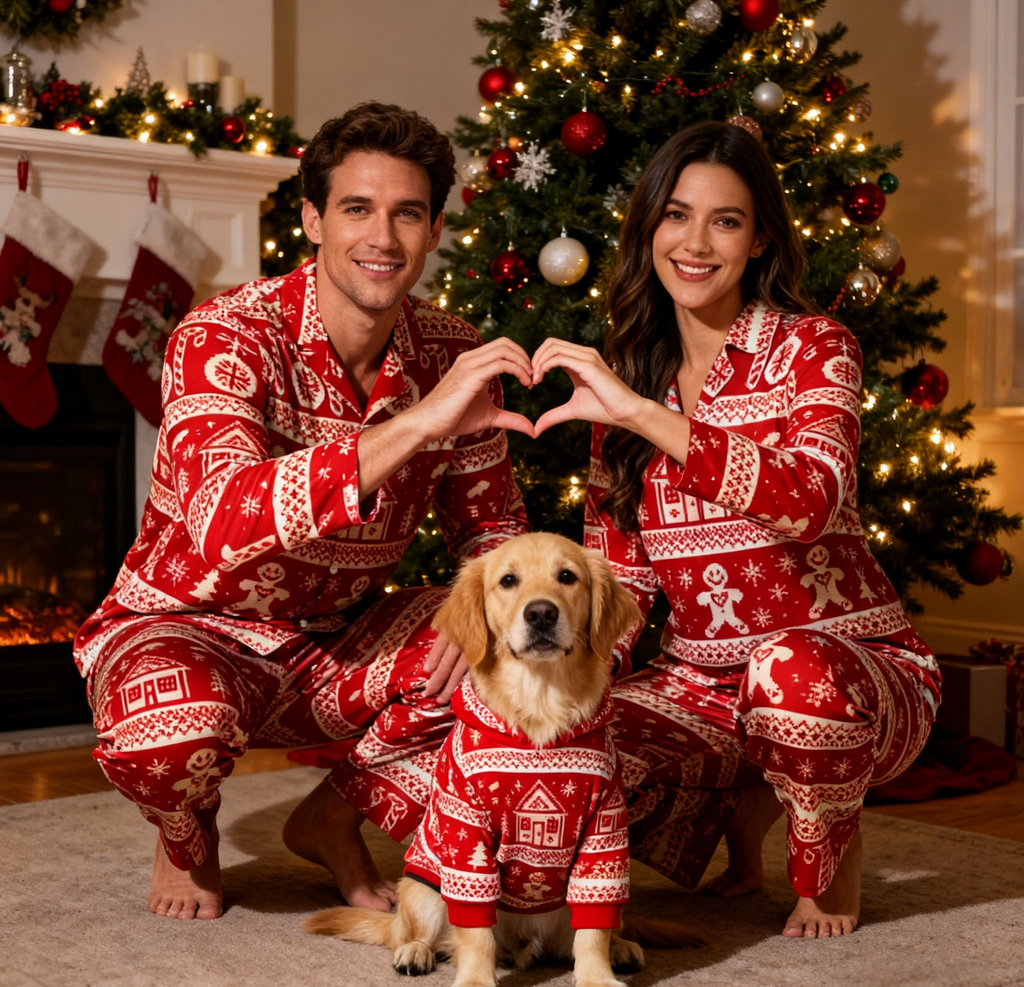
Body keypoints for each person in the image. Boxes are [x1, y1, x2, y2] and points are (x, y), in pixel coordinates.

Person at [72, 102, 534, 921]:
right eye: (357, 208)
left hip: (342, 641)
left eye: (407, 213)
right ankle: (186, 831)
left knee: (512, 644)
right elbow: (224, 522)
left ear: (434, 230)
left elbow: (492, 531)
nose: (382, 237)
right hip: (191, 625)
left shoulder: (453, 354)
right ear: (314, 221)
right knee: (168, 733)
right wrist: (419, 422)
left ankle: (334, 818)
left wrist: (480, 613)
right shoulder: (223, 334)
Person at [528, 121, 940, 938]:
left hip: (849, 677)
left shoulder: (815, 348)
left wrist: (641, 414)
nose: (695, 243)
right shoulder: (631, 385)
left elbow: (808, 497)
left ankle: (826, 852)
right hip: (703, 685)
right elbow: (620, 584)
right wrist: (566, 697)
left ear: (759, 241)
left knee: (789, 673)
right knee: (554, 756)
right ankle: (742, 803)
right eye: (676, 216)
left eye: (725, 221)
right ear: (649, 229)